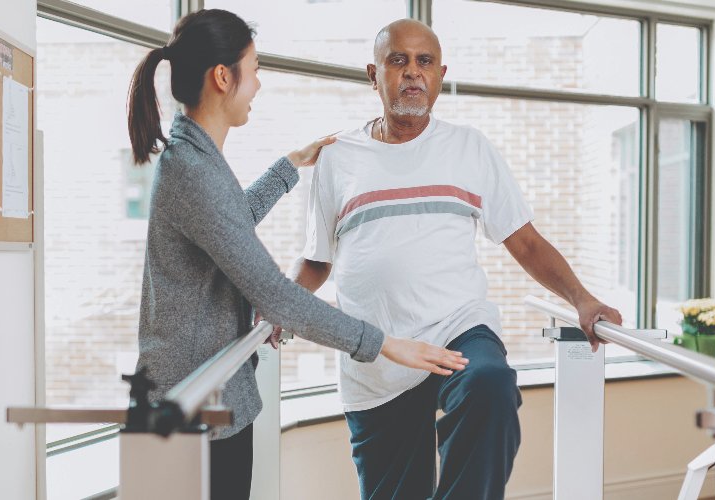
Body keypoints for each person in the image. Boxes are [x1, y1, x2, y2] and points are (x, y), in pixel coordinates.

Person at [124, 10, 469, 500]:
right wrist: (386, 343)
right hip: (188, 410)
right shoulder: (191, 169)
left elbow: (228, 224)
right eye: (256, 69)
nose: (258, 85)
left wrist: (289, 166)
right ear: (224, 78)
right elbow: (275, 294)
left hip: (214, 398)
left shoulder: (196, 156)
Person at [285, 19, 625, 500]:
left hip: (457, 328)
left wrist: (583, 300)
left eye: (424, 62)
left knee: (489, 385)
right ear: (372, 73)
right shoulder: (338, 157)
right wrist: (278, 304)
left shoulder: (470, 148)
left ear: (441, 74)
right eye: (398, 60)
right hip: (378, 353)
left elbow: (524, 241)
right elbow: (317, 260)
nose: (412, 73)